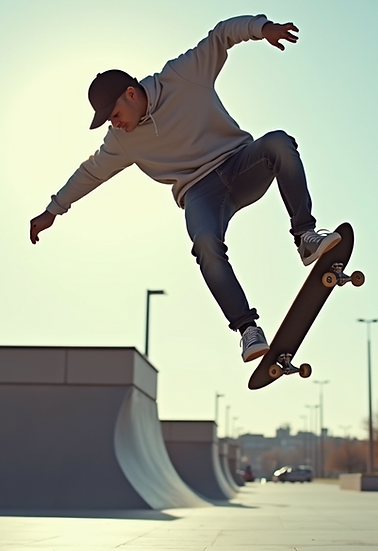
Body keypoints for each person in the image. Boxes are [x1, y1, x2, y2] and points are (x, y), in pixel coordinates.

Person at [29, 15, 341, 363]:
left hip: (241, 164)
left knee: (280, 143)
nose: (115, 124)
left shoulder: (182, 75)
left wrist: (261, 28)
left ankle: (305, 236)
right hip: (200, 193)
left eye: (115, 114)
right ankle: (247, 329)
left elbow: (221, 36)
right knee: (205, 244)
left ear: (131, 94)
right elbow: (90, 172)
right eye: (109, 121)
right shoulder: (121, 141)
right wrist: (53, 210)